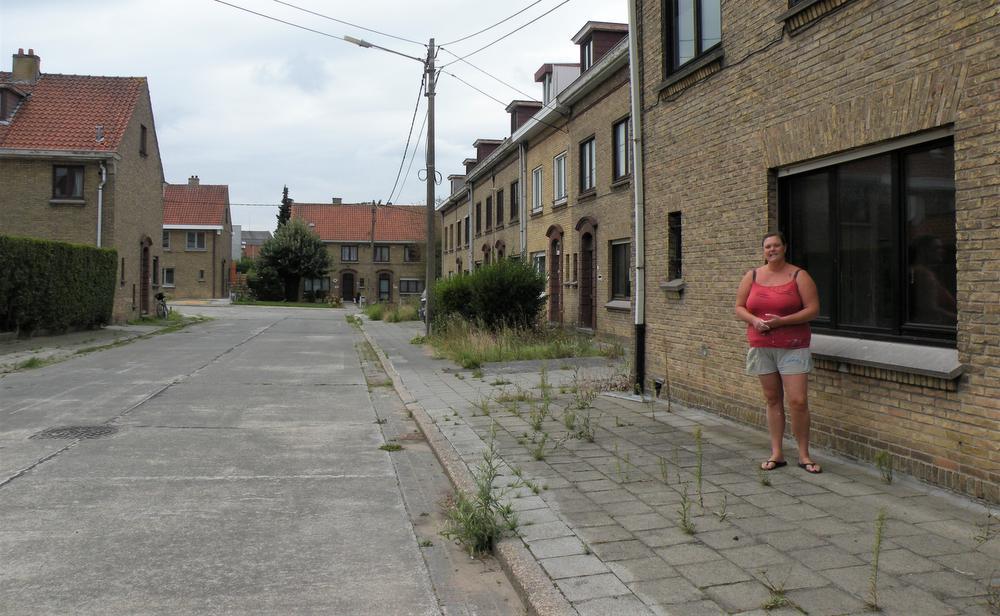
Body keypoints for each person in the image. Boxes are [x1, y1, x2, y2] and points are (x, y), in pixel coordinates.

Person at [735, 232, 822, 474]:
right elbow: (739, 307)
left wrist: (781, 322)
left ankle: (804, 455)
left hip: (793, 345)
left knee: (798, 401)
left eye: (776, 245)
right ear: (763, 251)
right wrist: (754, 320)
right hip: (762, 346)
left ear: (784, 247)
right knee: (772, 399)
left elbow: (813, 310)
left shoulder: (799, 275)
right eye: (767, 247)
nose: (772, 250)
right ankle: (777, 453)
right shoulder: (752, 276)